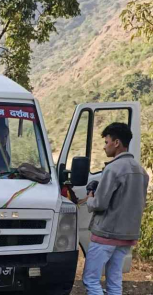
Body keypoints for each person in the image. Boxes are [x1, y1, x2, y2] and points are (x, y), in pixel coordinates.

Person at [82, 123, 149, 295]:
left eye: (106, 142)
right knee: (114, 281)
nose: (105, 146)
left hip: (106, 234)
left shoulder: (113, 169)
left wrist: (90, 198)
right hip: (126, 236)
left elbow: (99, 204)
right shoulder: (141, 171)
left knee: (91, 280)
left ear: (117, 143)